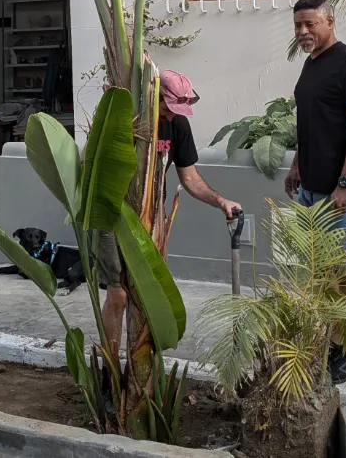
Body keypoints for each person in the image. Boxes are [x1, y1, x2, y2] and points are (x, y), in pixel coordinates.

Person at [95, 70, 243, 356]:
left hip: (152, 219)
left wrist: (220, 201)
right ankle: (110, 368)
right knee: (118, 294)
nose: (172, 115)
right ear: (154, 96)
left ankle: (144, 362)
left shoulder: (178, 126)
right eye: (168, 108)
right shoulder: (127, 121)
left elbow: (190, 179)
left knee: (150, 293)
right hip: (113, 216)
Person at [283, 0, 346, 383]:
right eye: (298, 25)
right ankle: (334, 343)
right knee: (321, 273)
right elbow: (312, 123)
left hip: (340, 193)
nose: (303, 31)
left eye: (310, 24)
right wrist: (296, 165)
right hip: (312, 189)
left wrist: (345, 184)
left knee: (345, 272)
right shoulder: (311, 64)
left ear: (329, 21)